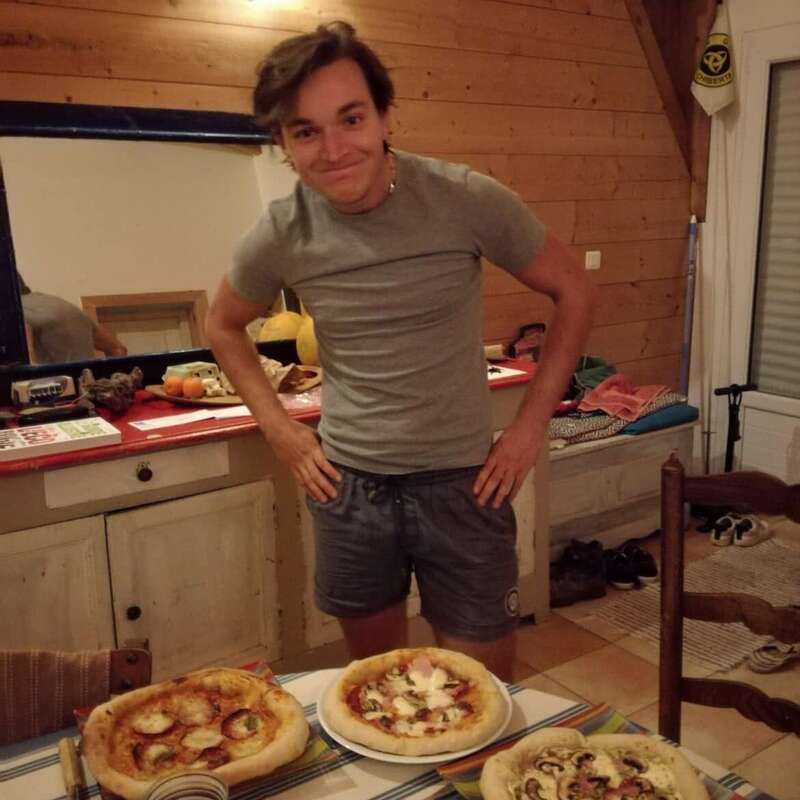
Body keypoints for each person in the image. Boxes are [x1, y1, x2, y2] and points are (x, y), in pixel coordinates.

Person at [206, 22, 597, 679]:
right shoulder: (281, 232)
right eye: (306, 131)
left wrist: (530, 430)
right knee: (379, 691)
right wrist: (280, 431)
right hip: (349, 487)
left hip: (464, 485)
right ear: (283, 145)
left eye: (351, 118)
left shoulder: (463, 197)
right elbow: (223, 325)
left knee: (482, 691)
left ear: (385, 116)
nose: (334, 149)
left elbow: (576, 292)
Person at [17, 272, 128, 363]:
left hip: (51, 382)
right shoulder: (64, 306)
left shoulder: (18, 313)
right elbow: (118, 349)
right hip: (86, 382)